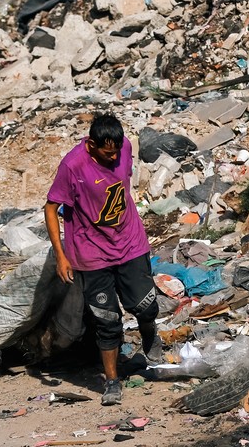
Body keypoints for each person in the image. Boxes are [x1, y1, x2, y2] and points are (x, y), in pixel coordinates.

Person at [44, 113, 162, 406]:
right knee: (107, 320)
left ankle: (149, 333)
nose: (113, 157)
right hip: (91, 252)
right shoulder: (73, 166)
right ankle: (112, 381)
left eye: (116, 151)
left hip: (130, 242)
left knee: (144, 305)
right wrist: (61, 256)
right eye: (106, 152)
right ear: (91, 145)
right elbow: (50, 208)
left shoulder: (124, 149)